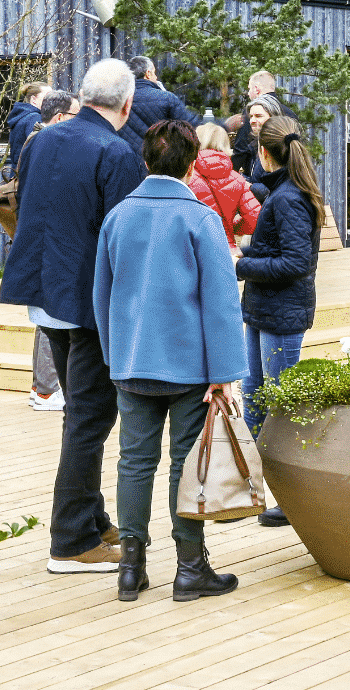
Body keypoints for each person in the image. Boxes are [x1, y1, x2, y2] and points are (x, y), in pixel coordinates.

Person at [0, 58, 146, 573]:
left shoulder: (42, 138)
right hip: (87, 302)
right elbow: (126, 240)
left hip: (46, 291)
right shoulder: (117, 151)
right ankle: (71, 540)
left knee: (82, 414)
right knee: (89, 418)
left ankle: (91, 516)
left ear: (83, 96)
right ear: (126, 105)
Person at [94, 120, 245, 603]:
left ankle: (131, 568)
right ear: (192, 162)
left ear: (145, 161)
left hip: (132, 361)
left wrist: (114, 356)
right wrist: (224, 375)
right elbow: (221, 302)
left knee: (133, 463)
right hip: (191, 367)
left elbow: (102, 295)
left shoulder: (118, 216)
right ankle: (190, 568)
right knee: (185, 463)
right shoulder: (199, 218)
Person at [236, 114, 325, 527]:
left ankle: (293, 497)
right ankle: (254, 487)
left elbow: (296, 261)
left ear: (266, 152)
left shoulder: (290, 199)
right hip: (260, 309)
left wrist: (243, 264)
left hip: (282, 314)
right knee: (254, 396)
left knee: (283, 406)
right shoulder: (283, 191)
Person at [26, 88, 79, 413]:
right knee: (50, 319)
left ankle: (43, 387)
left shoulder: (38, 142)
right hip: (49, 246)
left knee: (46, 320)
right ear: (59, 118)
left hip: (44, 245)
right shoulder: (45, 145)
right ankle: (46, 390)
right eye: (76, 115)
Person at [187, 122, 261, 250]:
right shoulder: (237, 178)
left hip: (193, 248)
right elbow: (255, 217)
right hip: (226, 249)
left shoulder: (187, 175)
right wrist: (232, 227)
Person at [118, 56, 199, 156]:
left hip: (125, 161)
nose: (156, 78)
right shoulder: (166, 98)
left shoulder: (118, 99)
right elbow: (191, 126)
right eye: (154, 73)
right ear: (148, 74)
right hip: (157, 163)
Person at [230, 71, 294, 175]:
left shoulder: (253, 111)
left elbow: (241, 148)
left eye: (249, 89)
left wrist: (230, 174)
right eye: (252, 117)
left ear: (256, 89)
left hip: (259, 176)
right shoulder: (290, 114)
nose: (248, 93)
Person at [238, 93, 285, 185]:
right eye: (251, 116)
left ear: (273, 117)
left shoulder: (279, 146)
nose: (252, 121)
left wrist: (249, 187)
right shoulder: (256, 145)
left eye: (258, 116)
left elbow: (276, 189)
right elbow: (258, 180)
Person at [6, 80, 50, 173]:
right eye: (47, 97)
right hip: (27, 176)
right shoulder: (34, 118)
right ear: (34, 99)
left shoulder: (23, 116)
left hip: (19, 174)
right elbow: (38, 152)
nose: (51, 101)